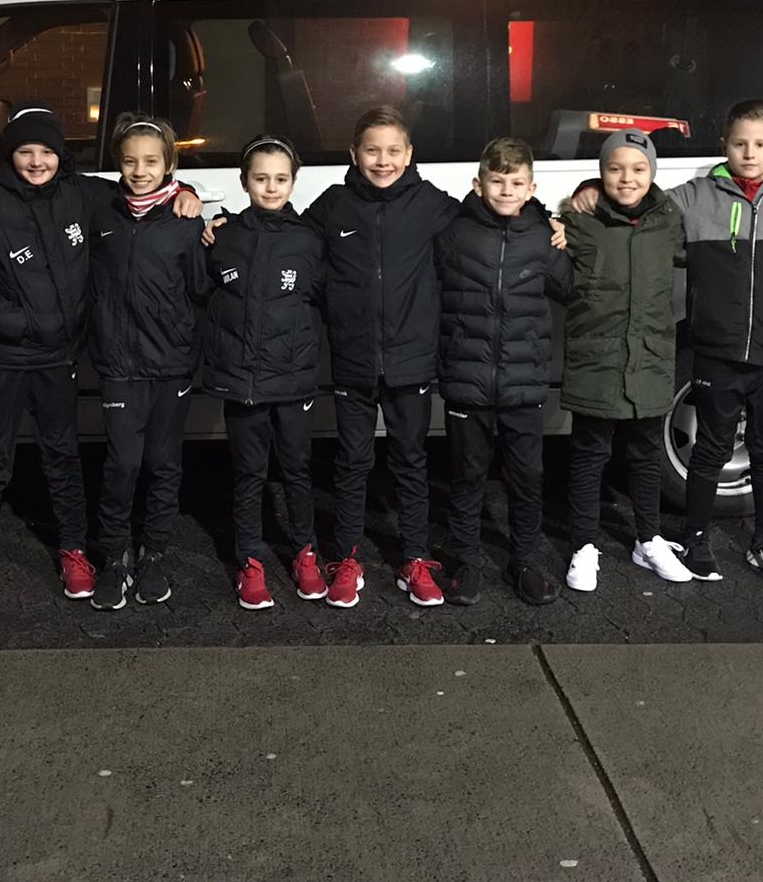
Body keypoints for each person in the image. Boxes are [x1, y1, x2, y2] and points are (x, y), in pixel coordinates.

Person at [572, 100, 763, 585]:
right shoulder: (692, 198)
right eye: (739, 143)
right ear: (724, 145)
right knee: (710, 450)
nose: (748, 153)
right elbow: (635, 195)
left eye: (759, 144)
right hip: (715, 352)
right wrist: (591, 187)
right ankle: (696, 538)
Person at [0, 102, 97, 613]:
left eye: (46, 151)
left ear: (60, 155)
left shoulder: (79, 194)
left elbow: (138, 198)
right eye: (25, 151)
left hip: (58, 357)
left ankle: (74, 550)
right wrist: (28, 323)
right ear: (9, 154)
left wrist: (185, 195)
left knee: (62, 456)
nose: (36, 161)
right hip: (3, 358)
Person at [302, 105, 459, 608]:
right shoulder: (333, 205)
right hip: (353, 359)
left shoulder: (431, 204)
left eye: (393, 151)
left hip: (412, 360)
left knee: (411, 461)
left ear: (409, 154)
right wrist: (216, 221)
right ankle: (347, 558)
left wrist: (548, 216)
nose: (383, 160)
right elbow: (286, 239)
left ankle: (414, 558)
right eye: (372, 150)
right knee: (352, 461)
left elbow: (491, 219)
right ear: (354, 153)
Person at [434, 137, 572, 607]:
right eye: (497, 182)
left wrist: (565, 233)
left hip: (523, 383)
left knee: (527, 478)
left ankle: (525, 561)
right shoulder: (454, 232)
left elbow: (569, 287)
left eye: (516, 183)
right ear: (479, 184)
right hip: (466, 381)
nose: (506, 191)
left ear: (532, 188)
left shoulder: (542, 236)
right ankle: (466, 561)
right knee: (467, 477)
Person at [86, 114, 214, 611]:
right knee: (122, 464)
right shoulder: (101, 210)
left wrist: (210, 218)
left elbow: (201, 289)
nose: (140, 171)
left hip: (171, 363)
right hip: (119, 363)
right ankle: (115, 556)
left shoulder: (186, 220)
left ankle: (154, 554)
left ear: (169, 165)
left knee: (163, 463)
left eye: (151, 161)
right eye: (130, 161)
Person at [560, 129, 695, 594]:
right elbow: (533, 222)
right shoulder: (579, 220)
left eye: (639, 169)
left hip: (650, 357)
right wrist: (579, 195)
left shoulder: (668, 220)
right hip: (596, 360)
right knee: (589, 455)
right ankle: (583, 544)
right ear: (600, 173)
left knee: (645, 453)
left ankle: (648, 539)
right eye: (614, 169)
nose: (626, 178)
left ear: (652, 172)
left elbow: (707, 240)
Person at [203, 134, 328, 610]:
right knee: (249, 475)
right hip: (242, 382)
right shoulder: (224, 237)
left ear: (293, 182)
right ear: (244, 182)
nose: (271, 187)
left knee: (297, 471)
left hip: (292, 380)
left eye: (280, 179)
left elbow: (322, 300)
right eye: (261, 178)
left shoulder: (309, 240)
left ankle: (304, 553)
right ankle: (250, 561)